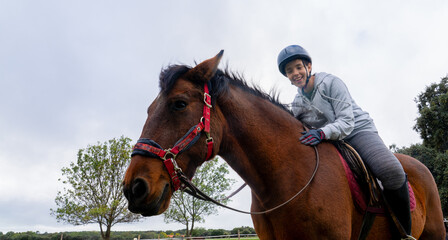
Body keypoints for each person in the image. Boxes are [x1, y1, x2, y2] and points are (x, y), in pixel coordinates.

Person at [277, 45, 414, 239]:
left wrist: (322, 133)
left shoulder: (332, 82)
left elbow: (347, 122)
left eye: (298, 67)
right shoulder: (297, 102)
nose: (295, 73)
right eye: (289, 71)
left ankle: (405, 234)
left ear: (308, 66)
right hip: (328, 139)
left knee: (390, 171)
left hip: (357, 131)